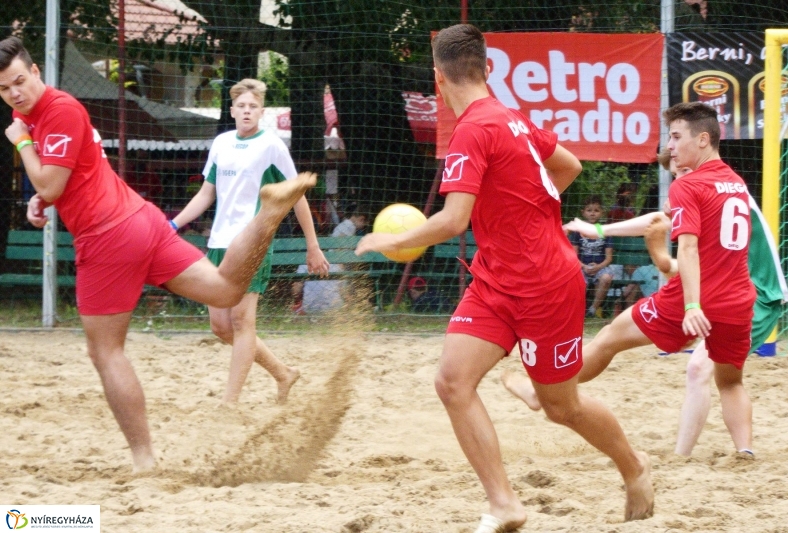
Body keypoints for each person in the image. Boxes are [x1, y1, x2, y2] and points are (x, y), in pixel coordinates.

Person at [355, 24, 653, 532]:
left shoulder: (473, 129)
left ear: (437, 78)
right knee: (452, 382)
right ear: (487, 69)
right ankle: (504, 504)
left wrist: (390, 240)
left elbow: (453, 221)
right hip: (496, 281)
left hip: (546, 285)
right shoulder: (511, 118)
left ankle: (634, 467)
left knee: (561, 407)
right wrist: (523, 212)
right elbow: (569, 166)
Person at [0, 36, 317, 473]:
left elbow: (50, 182)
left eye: (20, 81)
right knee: (225, 293)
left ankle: (144, 460)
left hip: (108, 238)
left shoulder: (57, 111)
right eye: (4, 88)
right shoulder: (31, 114)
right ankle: (269, 212)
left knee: (105, 353)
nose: (14, 93)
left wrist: (22, 145)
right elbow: (68, 177)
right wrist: (42, 200)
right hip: (140, 221)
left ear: (36, 71)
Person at [504, 105, 763, 458]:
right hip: (738, 301)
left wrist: (691, 306)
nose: (670, 146)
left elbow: (688, 248)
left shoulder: (689, 184)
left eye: (676, 137)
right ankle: (745, 452)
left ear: (703, 139)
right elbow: (662, 221)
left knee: (609, 339)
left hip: (693, 298)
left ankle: (541, 393)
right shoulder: (735, 184)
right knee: (730, 382)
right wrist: (598, 230)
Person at [171, 78, 329, 404]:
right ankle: (283, 373)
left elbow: (296, 195)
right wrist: (172, 223)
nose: (246, 111)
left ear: (261, 112)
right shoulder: (222, 143)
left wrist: (312, 245)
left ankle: (229, 403)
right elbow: (206, 194)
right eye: (241, 106)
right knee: (220, 326)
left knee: (242, 321)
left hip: (253, 242)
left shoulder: (271, 146)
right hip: (219, 243)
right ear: (231, 110)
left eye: (253, 106)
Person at [570, 195, 615, 318]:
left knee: (606, 278)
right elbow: (573, 256)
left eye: (596, 210)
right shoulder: (578, 231)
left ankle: (593, 309)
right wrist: (584, 266)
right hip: (581, 266)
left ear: (602, 212)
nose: (592, 213)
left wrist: (598, 267)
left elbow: (609, 258)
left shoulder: (604, 231)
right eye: (589, 210)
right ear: (583, 212)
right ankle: (578, 310)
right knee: (576, 278)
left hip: (600, 266)